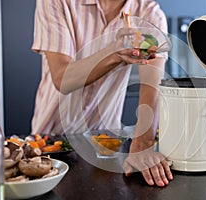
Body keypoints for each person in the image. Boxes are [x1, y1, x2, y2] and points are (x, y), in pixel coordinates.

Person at [31, 0, 173, 187]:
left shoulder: (149, 13)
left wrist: (142, 145)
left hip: (106, 146)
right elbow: (62, 78)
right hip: (52, 140)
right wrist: (114, 53)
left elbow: (151, 85)